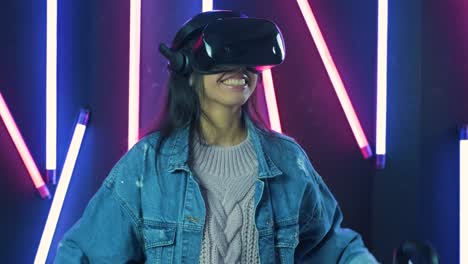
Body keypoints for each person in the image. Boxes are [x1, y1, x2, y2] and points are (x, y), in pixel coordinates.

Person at [55, 10, 378, 264]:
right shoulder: (148, 163)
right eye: (223, 58)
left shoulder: (287, 160)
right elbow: (83, 254)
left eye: (247, 61)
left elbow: (334, 249)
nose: (240, 70)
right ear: (187, 72)